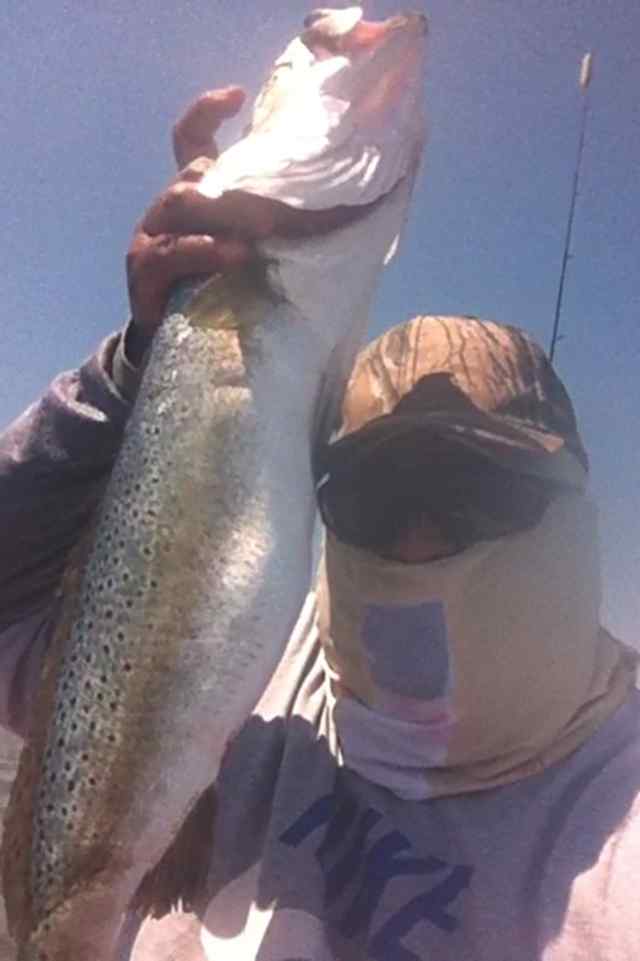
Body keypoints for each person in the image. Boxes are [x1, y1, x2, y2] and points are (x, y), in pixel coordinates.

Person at [1, 89, 639, 961]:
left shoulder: (620, 835)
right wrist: (139, 364)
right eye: (376, 492)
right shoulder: (250, 663)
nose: (416, 538)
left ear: (570, 516)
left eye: (478, 490)